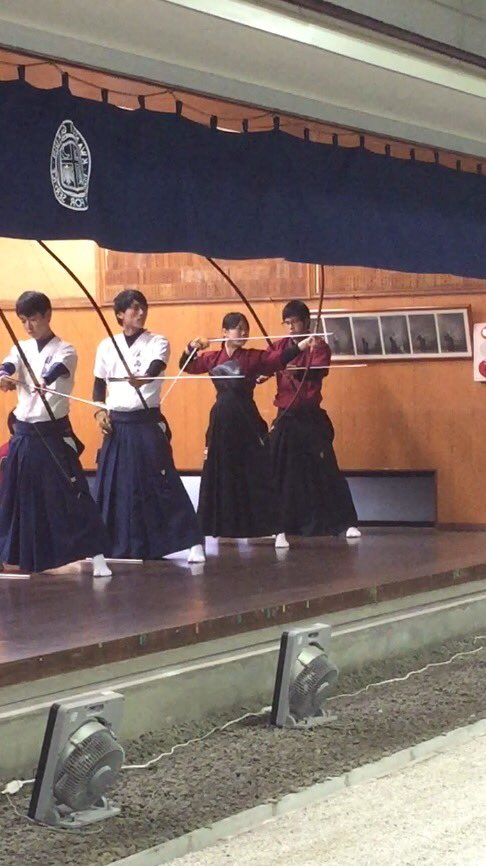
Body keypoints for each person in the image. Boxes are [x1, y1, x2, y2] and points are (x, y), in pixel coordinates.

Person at [0, 291, 111, 576]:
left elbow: (57, 370)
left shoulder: (65, 349)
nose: (28, 326)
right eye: (23, 320)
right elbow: (9, 365)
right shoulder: (20, 348)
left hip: (52, 434)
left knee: (74, 495)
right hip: (25, 434)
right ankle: (16, 556)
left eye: (33, 319)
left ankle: (98, 556)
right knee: (13, 497)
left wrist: (44, 380)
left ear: (47, 315)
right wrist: (4, 377)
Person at [93, 289, 205, 563]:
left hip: (145, 421)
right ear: (120, 314)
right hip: (117, 425)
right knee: (117, 487)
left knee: (163, 482)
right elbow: (98, 385)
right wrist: (99, 412)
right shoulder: (107, 346)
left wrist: (143, 379)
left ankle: (192, 540)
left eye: (143, 307)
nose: (141, 312)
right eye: (134, 308)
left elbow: (156, 366)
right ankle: (119, 545)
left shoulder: (158, 341)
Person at [179, 311, 313, 540]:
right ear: (224, 332)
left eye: (245, 329)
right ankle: (218, 526)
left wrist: (301, 345)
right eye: (238, 328)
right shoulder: (212, 358)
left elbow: (278, 359)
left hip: (246, 417)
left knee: (258, 471)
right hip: (221, 419)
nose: (243, 333)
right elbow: (186, 366)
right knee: (220, 471)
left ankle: (275, 529)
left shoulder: (253, 357)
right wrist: (192, 346)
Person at [269, 300, 360, 548]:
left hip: (309, 416)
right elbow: (266, 364)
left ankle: (345, 522)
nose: (290, 327)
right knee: (279, 471)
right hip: (286, 415)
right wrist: (266, 370)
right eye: (286, 323)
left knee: (326, 469)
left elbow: (317, 371)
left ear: (306, 322)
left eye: (294, 322)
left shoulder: (318, 346)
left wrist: (295, 370)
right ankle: (277, 525)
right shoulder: (279, 347)